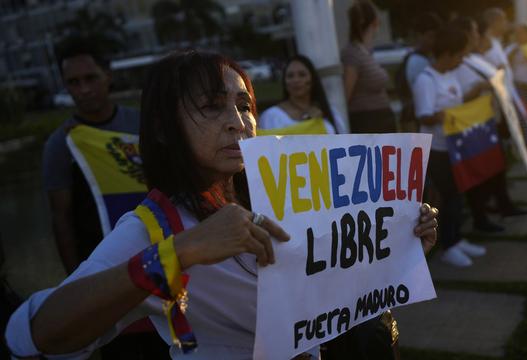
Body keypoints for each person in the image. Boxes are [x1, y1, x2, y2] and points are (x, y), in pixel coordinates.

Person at [6, 49, 440, 359]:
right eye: (212, 107)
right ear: (162, 127)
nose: (238, 121)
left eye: (244, 104)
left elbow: (332, 286)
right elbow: (33, 334)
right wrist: (179, 253)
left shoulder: (280, 198)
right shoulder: (155, 227)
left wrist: (397, 245)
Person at [43, 37, 168, 359]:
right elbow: (61, 218)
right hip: (106, 276)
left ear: (107, 76)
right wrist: (76, 286)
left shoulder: (139, 123)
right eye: (73, 82)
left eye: (90, 78)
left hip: (160, 265)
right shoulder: (62, 144)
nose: (83, 89)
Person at [411, 26, 482, 267]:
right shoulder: (426, 79)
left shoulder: (449, 75)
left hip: (454, 145)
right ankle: (448, 246)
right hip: (436, 149)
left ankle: (457, 239)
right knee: (450, 196)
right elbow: (424, 116)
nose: (462, 60)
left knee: (458, 193)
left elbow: (457, 104)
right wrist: (442, 116)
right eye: (460, 54)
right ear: (448, 53)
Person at [453, 17, 527, 233]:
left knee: (497, 165)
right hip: (474, 123)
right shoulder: (459, 63)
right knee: (481, 169)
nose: (479, 35)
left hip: (489, 117)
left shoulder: (473, 58)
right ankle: (481, 216)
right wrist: (483, 85)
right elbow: (458, 97)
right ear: (466, 34)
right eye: (476, 31)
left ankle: (503, 204)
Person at [483, 7, 527, 147]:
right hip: (496, 95)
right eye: (504, 20)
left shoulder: (495, 42)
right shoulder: (486, 43)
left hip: (507, 91)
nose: (507, 23)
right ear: (495, 22)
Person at [342, 0, 396, 133]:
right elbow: (346, 93)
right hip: (368, 123)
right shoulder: (352, 53)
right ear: (375, 21)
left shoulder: (365, 52)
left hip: (380, 122)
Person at [259, 55, 343, 134]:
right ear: (285, 82)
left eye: (302, 75)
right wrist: (307, 122)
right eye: (290, 76)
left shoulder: (330, 113)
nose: (296, 80)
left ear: (312, 79)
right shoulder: (271, 116)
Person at [396, 12, 443, 132]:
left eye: (437, 36)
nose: (434, 41)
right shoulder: (417, 61)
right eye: (430, 36)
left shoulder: (427, 57)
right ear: (419, 36)